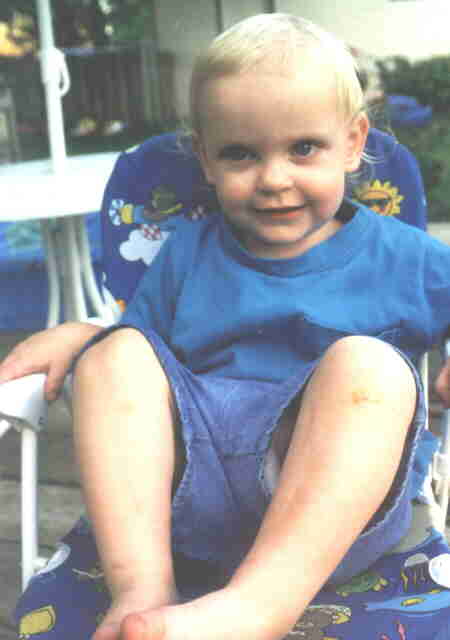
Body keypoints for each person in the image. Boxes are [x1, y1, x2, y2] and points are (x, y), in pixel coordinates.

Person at [4, 12, 450, 640]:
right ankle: (142, 588)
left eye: (304, 148)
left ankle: (259, 605)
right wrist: (88, 338)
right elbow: (143, 366)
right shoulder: (188, 252)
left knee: (369, 367)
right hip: (194, 500)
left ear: (353, 143)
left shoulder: (405, 257)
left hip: (333, 518)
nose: (274, 179)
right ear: (205, 160)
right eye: (240, 154)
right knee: (116, 354)